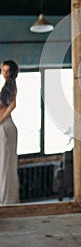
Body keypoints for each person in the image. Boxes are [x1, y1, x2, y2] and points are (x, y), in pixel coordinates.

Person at [0, 60, 19, 205]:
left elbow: (12, 105)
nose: (5, 73)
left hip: (6, 126)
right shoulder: (6, 87)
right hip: (4, 125)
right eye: (3, 70)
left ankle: (7, 199)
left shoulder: (11, 86)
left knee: (5, 163)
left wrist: (1, 120)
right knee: (4, 162)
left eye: (7, 70)